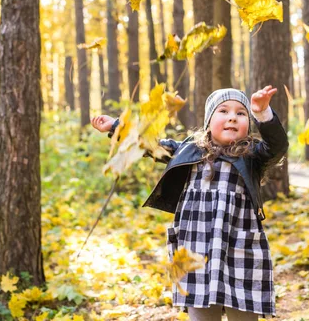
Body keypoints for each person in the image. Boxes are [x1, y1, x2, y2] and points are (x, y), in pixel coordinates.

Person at [91, 86, 289, 321]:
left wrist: (263, 112)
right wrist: (116, 127)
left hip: (240, 246)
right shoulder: (188, 150)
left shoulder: (252, 154)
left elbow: (278, 146)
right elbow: (149, 144)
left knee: (244, 311)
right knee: (201, 311)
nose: (232, 117)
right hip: (196, 246)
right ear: (208, 121)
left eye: (241, 113)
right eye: (223, 111)